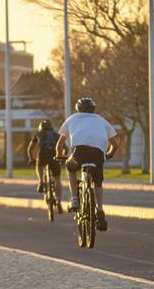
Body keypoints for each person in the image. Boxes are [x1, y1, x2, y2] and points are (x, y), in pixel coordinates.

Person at [56, 97, 118, 231]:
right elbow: (115, 144)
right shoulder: (101, 120)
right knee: (98, 183)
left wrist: (60, 156)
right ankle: (100, 210)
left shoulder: (72, 118)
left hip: (80, 151)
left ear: (78, 109)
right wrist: (109, 154)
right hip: (98, 154)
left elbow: (60, 144)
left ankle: (74, 199)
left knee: (70, 167)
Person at [27, 119, 64, 214]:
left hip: (42, 156)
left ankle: (41, 181)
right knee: (58, 180)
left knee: (38, 164)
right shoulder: (57, 135)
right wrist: (62, 158)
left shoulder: (38, 134)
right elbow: (65, 148)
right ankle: (59, 201)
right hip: (54, 157)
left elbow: (30, 149)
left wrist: (31, 159)